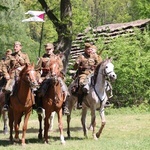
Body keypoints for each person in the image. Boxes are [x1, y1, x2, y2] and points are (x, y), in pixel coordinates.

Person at [35, 43, 70, 115]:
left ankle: (65, 107)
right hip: (45, 77)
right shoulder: (42, 58)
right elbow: (37, 70)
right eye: (47, 49)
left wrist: (56, 72)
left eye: (49, 49)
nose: (48, 51)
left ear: (53, 49)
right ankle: (39, 106)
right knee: (39, 91)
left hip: (56, 76)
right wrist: (39, 78)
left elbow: (61, 67)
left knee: (65, 90)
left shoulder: (57, 58)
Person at [2, 41, 30, 111]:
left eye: (16, 46)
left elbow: (28, 65)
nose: (15, 48)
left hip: (23, 75)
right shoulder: (10, 56)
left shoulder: (25, 55)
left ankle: (33, 103)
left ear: (20, 47)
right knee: (8, 88)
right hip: (13, 75)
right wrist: (6, 74)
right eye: (14, 46)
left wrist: (21, 61)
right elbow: (4, 66)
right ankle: (6, 104)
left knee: (32, 86)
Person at [73, 43, 102, 109]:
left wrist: (97, 59)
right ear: (85, 49)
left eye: (90, 49)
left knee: (103, 83)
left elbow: (100, 65)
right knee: (81, 84)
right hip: (84, 74)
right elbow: (74, 67)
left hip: (93, 74)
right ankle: (80, 102)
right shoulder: (81, 56)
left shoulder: (95, 56)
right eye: (88, 49)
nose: (89, 51)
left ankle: (103, 100)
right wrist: (77, 64)